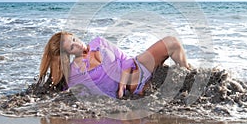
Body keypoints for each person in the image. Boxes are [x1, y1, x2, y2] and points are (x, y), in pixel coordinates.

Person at [39, 32, 190, 98]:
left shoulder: (98, 42)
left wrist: (122, 83)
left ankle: (189, 74)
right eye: (72, 47)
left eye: (73, 38)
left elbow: (125, 60)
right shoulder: (75, 72)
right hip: (136, 90)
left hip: (138, 67)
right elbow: (73, 92)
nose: (77, 44)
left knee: (172, 42)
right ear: (67, 55)